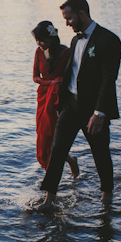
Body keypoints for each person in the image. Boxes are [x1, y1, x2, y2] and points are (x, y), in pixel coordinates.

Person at [37, 0, 121, 210]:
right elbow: (71, 73)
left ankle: (106, 198)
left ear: (82, 14)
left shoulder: (108, 40)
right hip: (70, 106)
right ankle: (49, 200)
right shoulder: (75, 41)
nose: (66, 24)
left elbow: (108, 80)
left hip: (93, 110)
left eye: (69, 18)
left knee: (100, 152)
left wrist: (100, 113)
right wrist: (60, 104)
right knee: (57, 151)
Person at [32, 21, 80, 182]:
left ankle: (51, 176)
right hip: (43, 96)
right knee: (43, 134)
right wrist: (50, 83)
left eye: (42, 40)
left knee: (53, 135)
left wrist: (58, 84)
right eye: (37, 40)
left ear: (52, 38)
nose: (39, 43)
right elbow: (35, 77)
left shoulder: (65, 53)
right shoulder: (39, 52)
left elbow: (70, 78)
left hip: (59, 98)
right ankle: (69, 161)